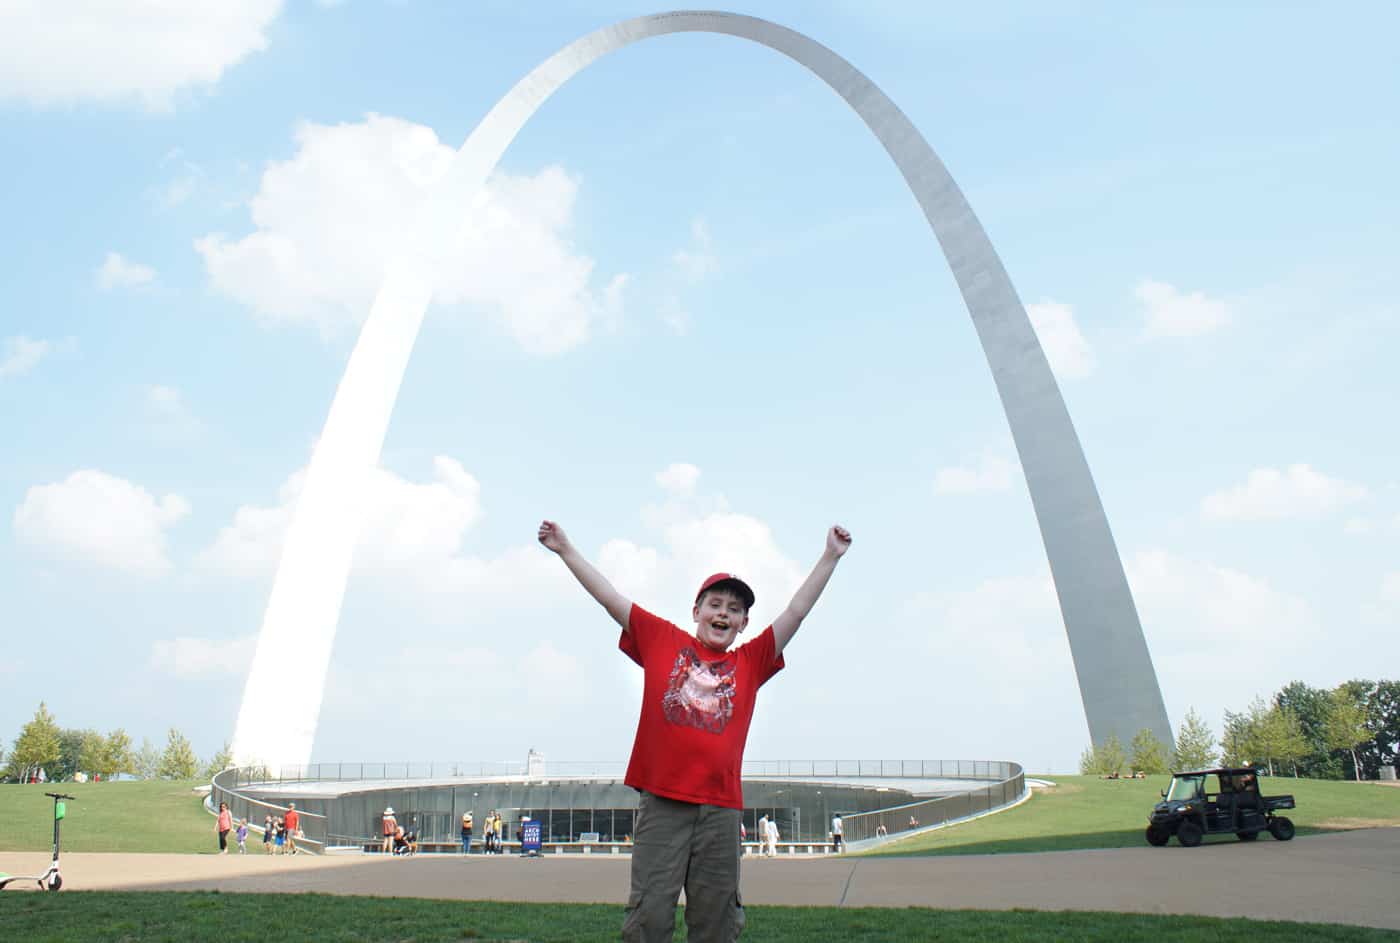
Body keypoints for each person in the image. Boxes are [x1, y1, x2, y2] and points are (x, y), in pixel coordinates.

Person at [538, 519, 852, 942]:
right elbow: (609, 596)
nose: (724, 612)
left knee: (717, 921)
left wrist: (830, 556)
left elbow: (796, 612)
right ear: (697, 611)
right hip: (663, 805)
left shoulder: (751, 661)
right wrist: (565, 549)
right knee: (649, 913)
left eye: (735, 609)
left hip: (720, 811)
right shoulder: (661, 640)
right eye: (715, 603)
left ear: (743, 623)